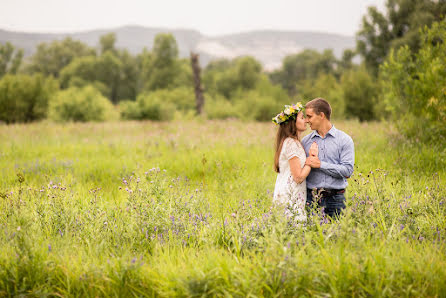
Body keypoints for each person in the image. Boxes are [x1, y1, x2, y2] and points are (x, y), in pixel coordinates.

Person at [301, 97, 354, 219]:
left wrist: (320, 164)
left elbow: (347, 171)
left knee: (337, 236)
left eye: (310, 116)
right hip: (311, 199)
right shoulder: (305, 142)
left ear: (321, 115)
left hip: (336, 199)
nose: (307, 120)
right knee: (312, 236)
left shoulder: (344, 140)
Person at [272, 102, 318, 222]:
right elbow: (298, 177)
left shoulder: (293, 142)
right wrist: (311, 158)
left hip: (293, 195)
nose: (306, 121)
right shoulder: (291, 143)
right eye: (302, 118)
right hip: (289, 196)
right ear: (293, 123)